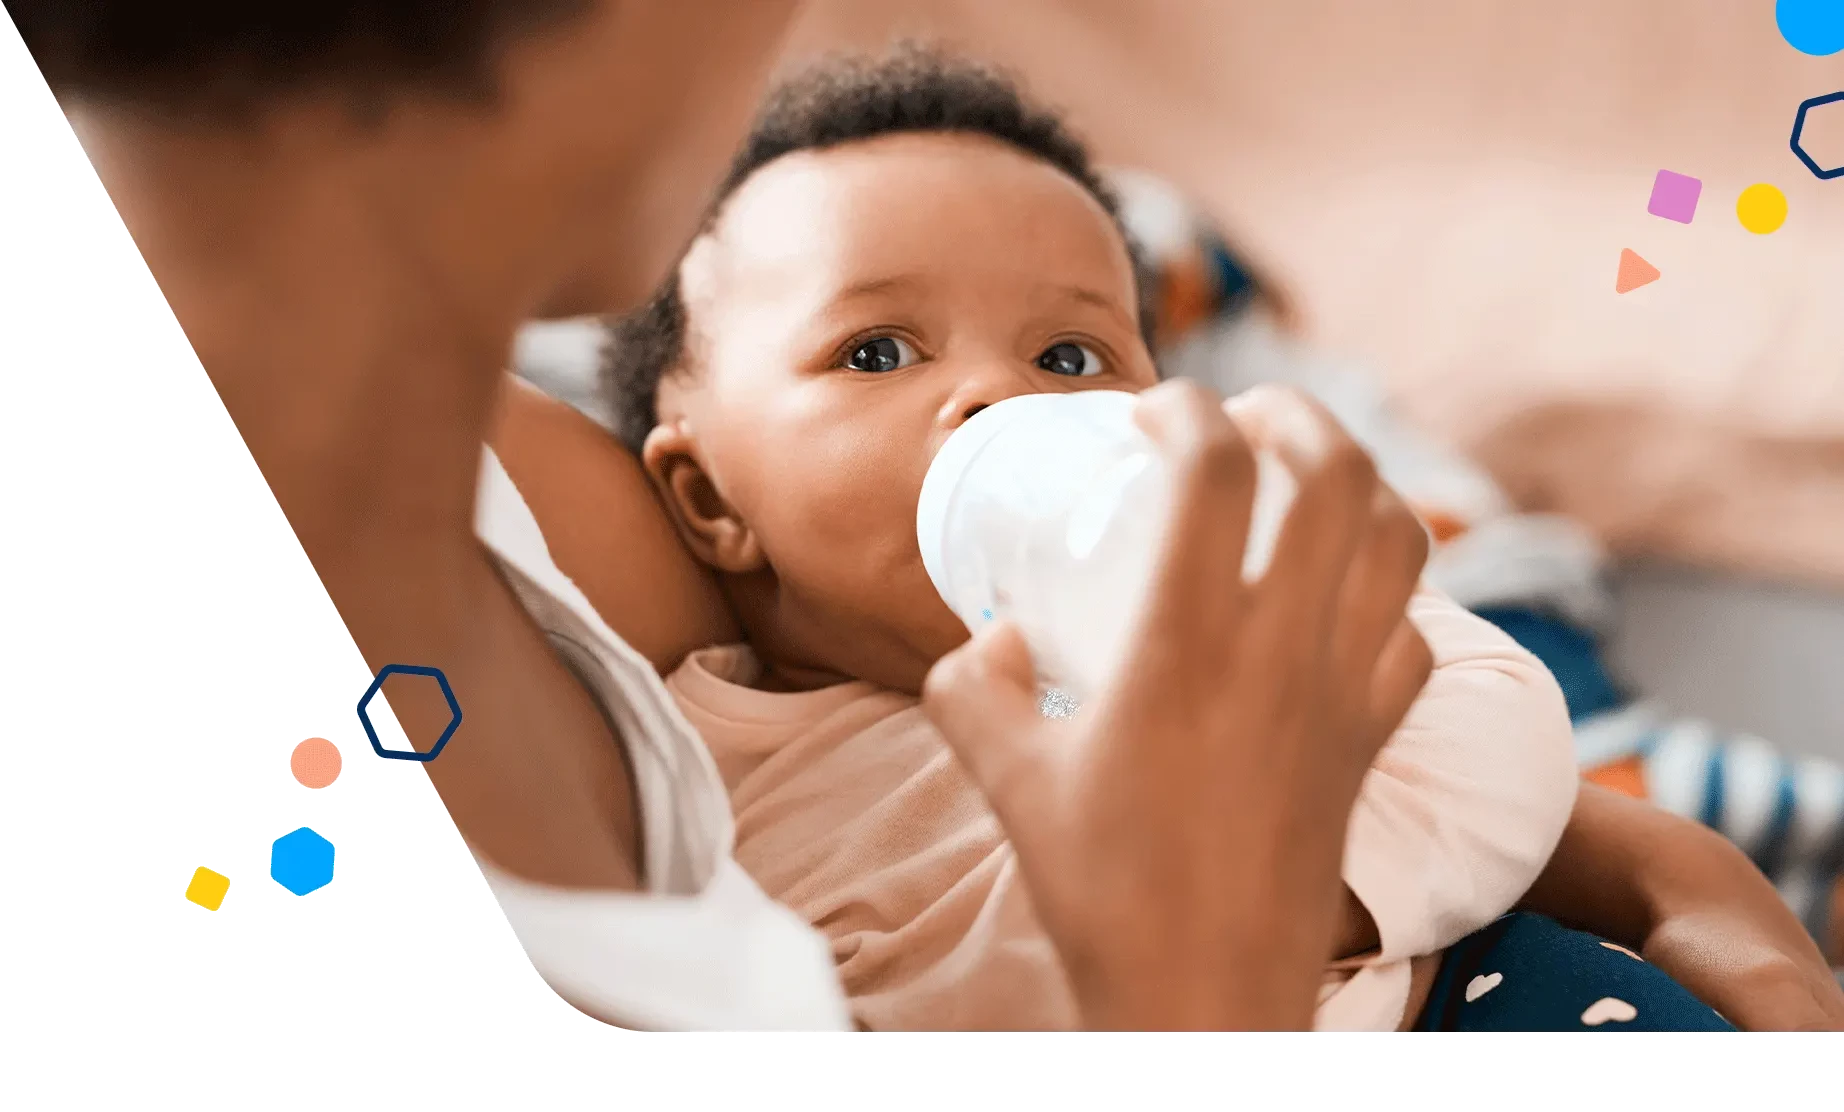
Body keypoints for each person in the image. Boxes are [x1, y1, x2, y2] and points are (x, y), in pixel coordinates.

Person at [13, 1, 1449, 1031]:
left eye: (1069, 356)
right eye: (877, 353)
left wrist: (1630, 863)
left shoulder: (494, 467)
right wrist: (1198, 979)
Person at [568, 47, 1827, 1030]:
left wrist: (1713, 901)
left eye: (1070, 355)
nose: (1001, 398)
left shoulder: (1198, 626)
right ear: (709, 502)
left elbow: (1510, 757)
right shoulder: (690, 776)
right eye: (876, 351)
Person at [1104, 168, 1844, 965]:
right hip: (1374, 628)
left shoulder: (1125, 239)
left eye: (1062, 355)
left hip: (1454, 584)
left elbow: (1185, 248)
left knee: (1615, 797)